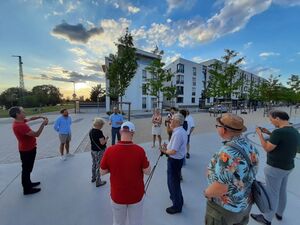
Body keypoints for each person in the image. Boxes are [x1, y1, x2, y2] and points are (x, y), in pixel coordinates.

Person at [204, 113, 259, 225]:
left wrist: (207, 193)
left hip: (224, 209)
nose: (216, 128)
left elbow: (221, 187)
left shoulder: (228, 153)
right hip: (243, 204)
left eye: (217, 126)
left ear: (224, 130)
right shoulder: (250, 145)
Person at [251, 110, 300, 225]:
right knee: (282, 191)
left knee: (272, 193)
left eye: (271, 119)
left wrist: (260, 134)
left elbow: (267, 148)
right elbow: (284, 141)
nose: (271, 122)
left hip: (275, 168)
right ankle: (279, 213)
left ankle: (267, 218)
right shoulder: (294, 131)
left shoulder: (279, 132)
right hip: (287, 167)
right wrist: (268, 132)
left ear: (277, 118)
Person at [100, 121, 151, 225]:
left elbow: (102, 171)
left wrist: (114, 167)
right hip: (136, 195)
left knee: (118, 222)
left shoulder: (109, 150)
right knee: (136, 222)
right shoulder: (139, 150)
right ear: (133, 133)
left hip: (117, 195)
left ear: (120, 132)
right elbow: (147, 171)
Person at [9, 106, 48, 195]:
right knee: (26, 170)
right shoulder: (20, 126)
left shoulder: (20, 121)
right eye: (22, 112)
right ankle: (26, 189)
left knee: (28, 169)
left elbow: (30, 118)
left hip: (29, 148)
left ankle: (29, 183)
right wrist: (43, 124)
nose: (24, 113)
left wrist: (40, 117)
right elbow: (36, 134)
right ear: (18, 114)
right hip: (27, 150)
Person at [160, 113, 187, 214]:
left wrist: (164, 151)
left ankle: (177, 206)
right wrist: (168, 146)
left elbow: (173, 151)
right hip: (177, 160)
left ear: (176, 122)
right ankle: (179, 200)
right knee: (175, 182)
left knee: (173, 183)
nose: (169, 121)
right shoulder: (180, 131)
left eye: (171, 120)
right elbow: (174, 147)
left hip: (174, 161)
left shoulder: (178, 133)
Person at [89, 117, 108, 187]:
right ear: (99, 125)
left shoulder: (91, 131)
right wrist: (106, 139)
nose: (102, 126)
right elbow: (102, 143)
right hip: (99, 151)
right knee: (98, 165)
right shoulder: (99, 132)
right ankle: (98, 181)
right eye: (102, 125)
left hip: (93, 150)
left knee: (94, 164)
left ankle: (93, 178)